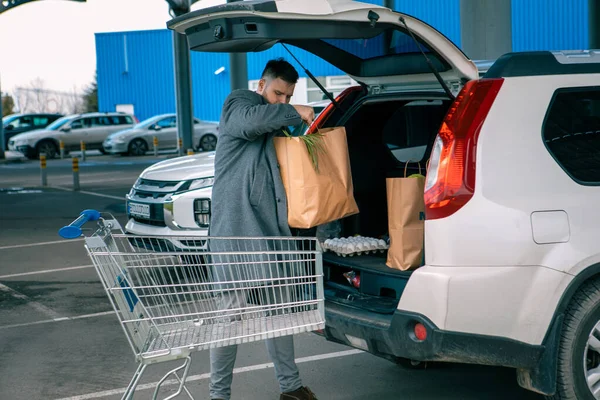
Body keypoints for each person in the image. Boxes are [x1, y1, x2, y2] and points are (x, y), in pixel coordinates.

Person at [208, 58, 317, 400]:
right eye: (277, 93)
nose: (282, 101)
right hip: (236, 233)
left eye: (288, 96)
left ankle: (291, 388)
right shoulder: (238, 104)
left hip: (270, 235)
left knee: (280, 314)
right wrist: (294, 111)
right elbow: (249, 123)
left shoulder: (277, 120)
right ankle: (218, 395)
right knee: (230, 318)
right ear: (261, 86)